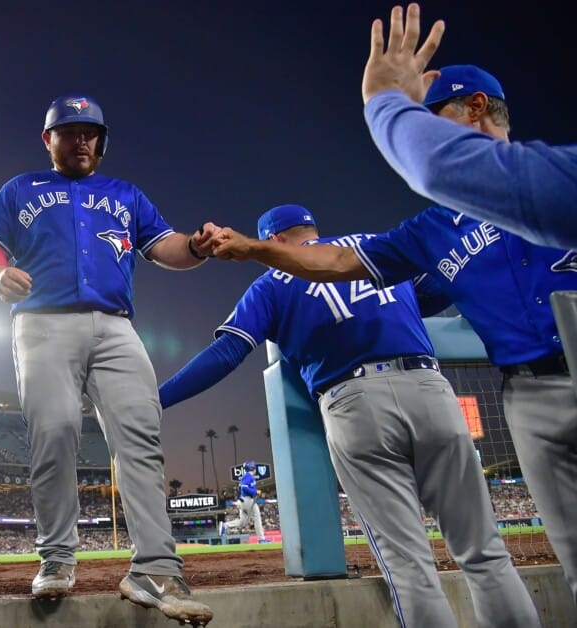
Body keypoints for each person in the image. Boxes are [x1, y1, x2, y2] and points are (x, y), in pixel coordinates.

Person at [212, 68, 577, 609]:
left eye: (430, 119)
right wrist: (254, 250)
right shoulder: (430, 230)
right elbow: (338, 262)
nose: (422, 137)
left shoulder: (555, 176)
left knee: (437, 562)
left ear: (476, 107)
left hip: (370, 402)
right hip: (527, 394)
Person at [164, 204, 540, 627]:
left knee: (410, 566)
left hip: (354, 402)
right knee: (485, 553)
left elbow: (227, 352)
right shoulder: (371, 249)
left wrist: (157, 400)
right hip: (429, 388)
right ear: (311, 229)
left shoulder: (270, 281)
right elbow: (444, 285)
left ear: (272, 242)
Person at [0, 94, 214, 625]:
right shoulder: (21, 189)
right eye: (70, 131)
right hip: (41, 322)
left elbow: (165, 246)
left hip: (115, 326)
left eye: (91, 132)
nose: (82, 140)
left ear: (101, 142)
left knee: (141, 434)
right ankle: (57, 558)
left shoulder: (125, 193)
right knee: (55, 430)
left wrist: (196, 246)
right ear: (49, 139)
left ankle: (154, 567)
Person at [361, 3, 577, 250]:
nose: (427, 130)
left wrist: (385, 97)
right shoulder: (439, 224)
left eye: (431, 118)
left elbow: (434, 165)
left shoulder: (549, 184)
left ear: (476, 107)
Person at [221, 460, 265, 542]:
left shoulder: (245, 476)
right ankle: (262, 539)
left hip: (243, 501)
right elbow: (244, 487)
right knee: (257, 517)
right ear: (253, 468)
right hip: (247, 500)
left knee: (243, 522)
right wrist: (255, 492)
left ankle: (225, 525)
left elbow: (240, 487)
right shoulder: (249, 476)